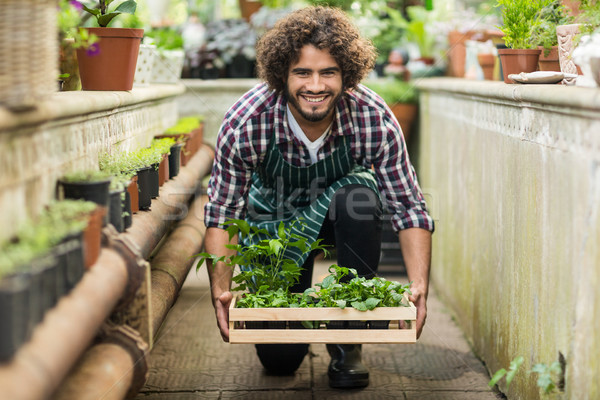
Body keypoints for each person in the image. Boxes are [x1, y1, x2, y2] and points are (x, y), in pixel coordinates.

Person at [203, 6, 434, 389]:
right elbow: (223, 212)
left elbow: (408, 206)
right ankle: (293, 329)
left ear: (347, 74)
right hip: (274, 228)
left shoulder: (372, 116)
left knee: (358, 198)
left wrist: (419, 285)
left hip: (340, 217)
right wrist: (221, 291)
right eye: (302, 72)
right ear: (282, 75)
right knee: (280, 361)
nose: (315, 85)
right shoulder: (247, 121)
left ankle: (348, 339)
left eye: (328, 72)